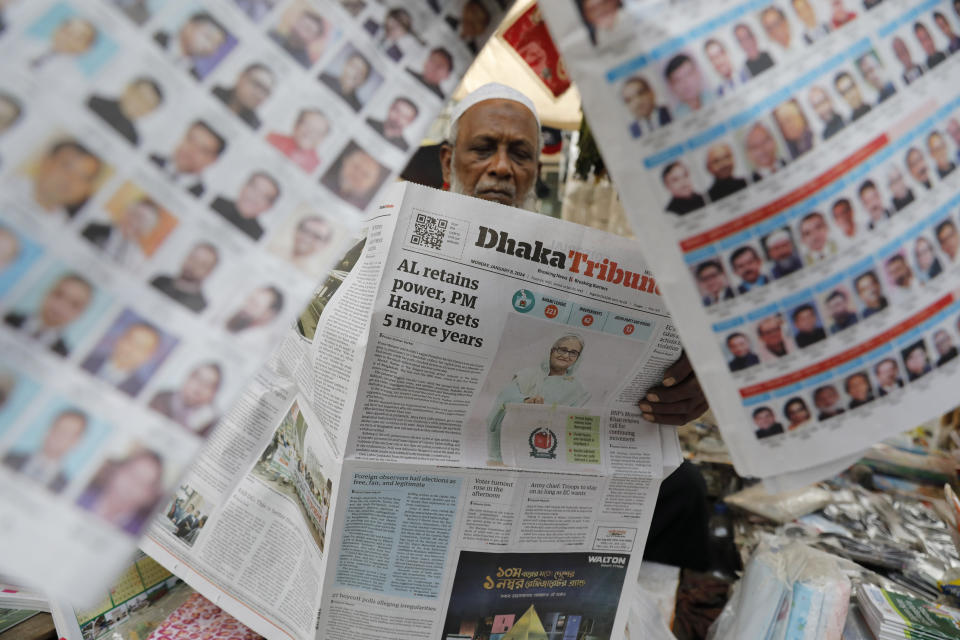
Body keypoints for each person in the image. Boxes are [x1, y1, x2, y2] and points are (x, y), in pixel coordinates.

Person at [441, 82, 710, 567]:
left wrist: (685, 381)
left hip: (543, 464)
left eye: (520, 154)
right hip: (438, 465)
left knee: (685, 490)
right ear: (447, 163)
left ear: (535, 172)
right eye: (484, 149)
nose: (501, 167)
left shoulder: (575, 270)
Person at [486, 334, 591, 462]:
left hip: (545, 450)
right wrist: (525, 401)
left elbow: (571, 426)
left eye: (573, 353)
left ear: (578, 358)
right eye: (562, 349)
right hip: (507, 447)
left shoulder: (578, 390)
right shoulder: (528, 374)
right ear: (552, 350)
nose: (566, 356)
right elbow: (506, 396)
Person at [76, 449, 165, 534]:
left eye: (142, 483)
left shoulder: (138, 532)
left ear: (149, 496)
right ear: (118, 469)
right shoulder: (77, 495)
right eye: (132, 474)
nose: (132, 485)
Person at [4, 273, 93, 357]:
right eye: (59, 294)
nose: (61, 306)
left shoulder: (64, 355)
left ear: (80, 313)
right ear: (47, 292)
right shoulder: (7, 318)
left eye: (74, 304)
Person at [2, 409, 87, 493]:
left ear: (75, 442)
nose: (59, 436)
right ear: (49, 429)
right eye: (58, 428)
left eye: (68, 434)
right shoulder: (8, 457)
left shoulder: (66, 488)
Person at [26, 140, 105, 221]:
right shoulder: (13, 186)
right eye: (67, 167)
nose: (71, 180)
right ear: (46, 162)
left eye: (82, 177)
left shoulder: (66, 226)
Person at [81, 321, 164, 396]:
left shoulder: (139, 391)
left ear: (148, 356)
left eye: (140, 347)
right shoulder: (85, 359)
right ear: (120, 338)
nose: (131, 349)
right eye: (130, 341)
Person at [149, 120, 226, 197]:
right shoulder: (151, 160)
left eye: (202, 149)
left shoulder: (202, 196)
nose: (190, 150)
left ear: (212, 160)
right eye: (191, 140)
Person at [82, 196, 161, 269]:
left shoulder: (139, 260)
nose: (135, 222)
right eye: (134, 215)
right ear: (125, 213)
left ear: (148, 229)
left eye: (142, 220)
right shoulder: (94, 229)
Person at [149, 362, 222, 437]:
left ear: (213, 394)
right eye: (198, 379)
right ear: (188, 378)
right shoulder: (161, 398)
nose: (200, 387)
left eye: (208, 385)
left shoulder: (211, 424)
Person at [87, 77, 163, 145]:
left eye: (148, 105)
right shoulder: (94, 102)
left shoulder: (133, 139)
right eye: (140, 97)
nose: (140, 105)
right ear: (128, 89)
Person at [153, 12, 228, 79]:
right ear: (189, 26)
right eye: (207, 37)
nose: (209, 46)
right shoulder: (154, 36)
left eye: (216, 45)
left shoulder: (194, 77)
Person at [150, 242, 219, 312]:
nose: (193, 265)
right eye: (192, 258)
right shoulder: (160, 281)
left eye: (202, 264)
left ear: (208, 272)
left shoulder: (201, 305)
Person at [210, 171, 280, 240]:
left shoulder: (258, 234)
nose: (255, 197)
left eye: (264, 196)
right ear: (243, 186)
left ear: (269, 207)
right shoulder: (216, 202)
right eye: (254, 188)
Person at [321, 144, 386, 210]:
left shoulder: (367, 209)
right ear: (345, 161)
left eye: (365, 174)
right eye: (356, 167)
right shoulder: (323, 180)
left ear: (373, 182)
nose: (357, 175)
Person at [212, 63, 275, 129]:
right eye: (257, 85)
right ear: (241, 77)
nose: (259, 95)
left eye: (266, 92)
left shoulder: (255, 126)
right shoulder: (214, 92)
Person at [267, 108, 329, 173]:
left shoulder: (317, 166)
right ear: (296, 125)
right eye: (307, 125)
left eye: (317, 132)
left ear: (322, 139)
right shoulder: (273, 138)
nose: (310, 133)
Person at [27, 16, 98, 72]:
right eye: (68, 31)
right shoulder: (28, 42)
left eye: (78, 38)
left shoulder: (73, 77)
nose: (68, 39)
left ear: (85, 48)